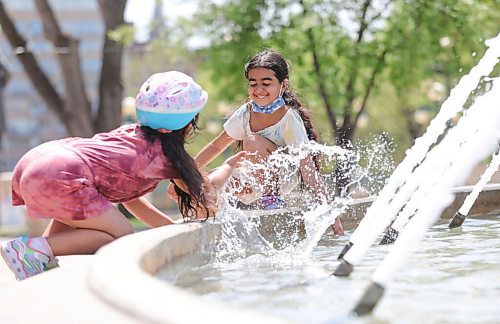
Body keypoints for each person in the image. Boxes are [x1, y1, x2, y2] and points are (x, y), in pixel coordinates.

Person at [0, 71, 244, 281]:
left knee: (82, 216)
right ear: (189, 124)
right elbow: (206, 197)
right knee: (121, 237)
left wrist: (169, 229)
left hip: (42, 160)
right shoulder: (165, 157)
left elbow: (131, 200)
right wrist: (230, 165)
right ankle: (30, 249)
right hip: (62, 174)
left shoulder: (129, 135)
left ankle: (36, 256)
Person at [175, 49, 344, 235]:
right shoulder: (246, 112)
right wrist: (187, 172)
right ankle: (206, 226)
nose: (258, 89)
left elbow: (307, 168)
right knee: (203, 186)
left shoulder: (289, 118)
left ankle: (271, 198)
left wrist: (331, 214)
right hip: (252, 177)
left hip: (281, 178)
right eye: (253, 83)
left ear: (283, 85)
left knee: (252, 141)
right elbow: (216, 145)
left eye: (266, 83)